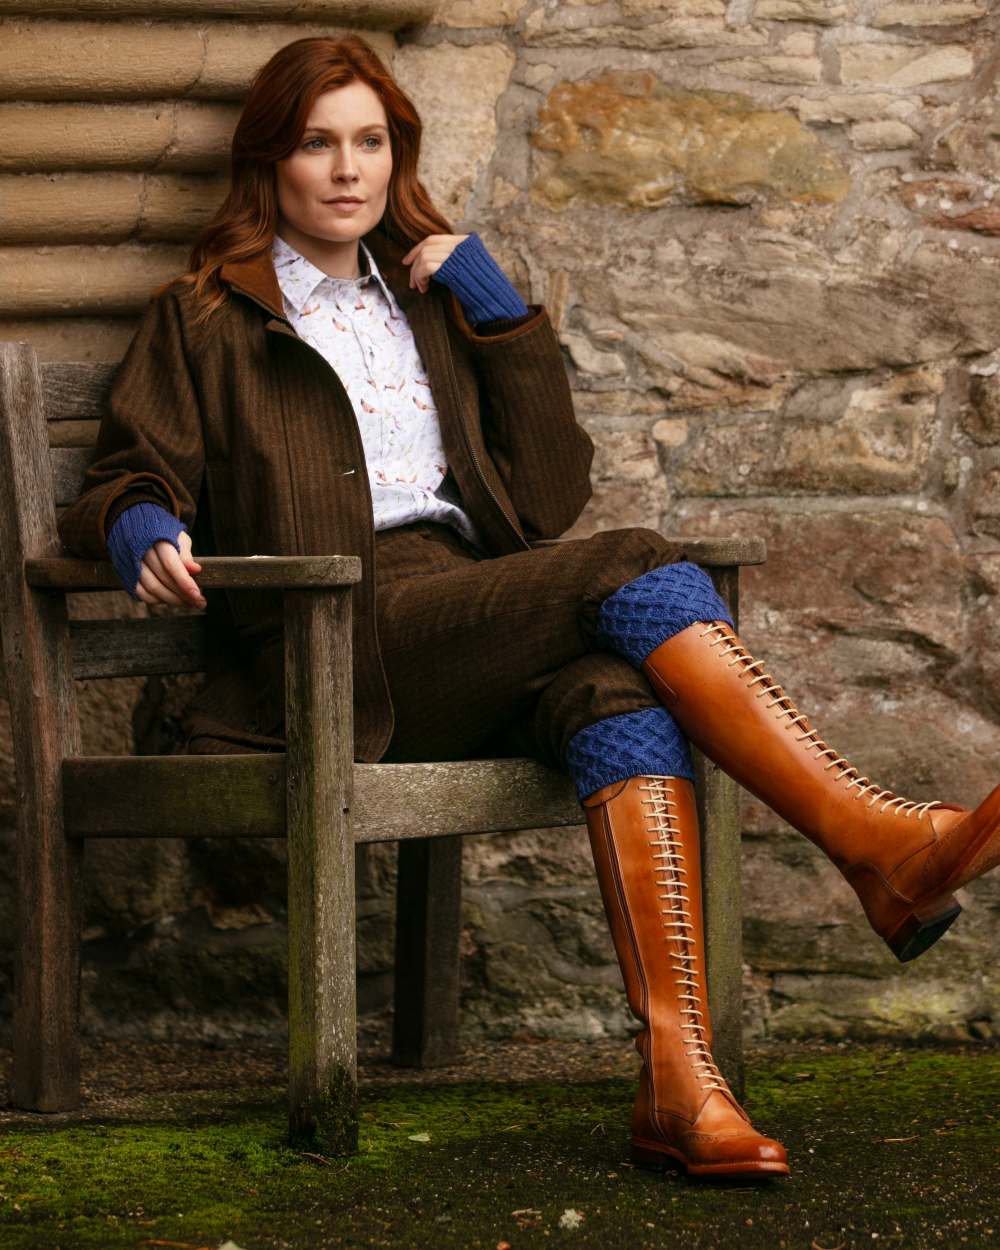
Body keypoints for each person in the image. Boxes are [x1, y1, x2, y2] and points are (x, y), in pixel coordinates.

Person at [57, 34, 1000, 1182]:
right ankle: (875, 837)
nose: (347, 170)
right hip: (326, 641)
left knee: (614, 696)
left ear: (397, 156)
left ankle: (681, 1084)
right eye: (316, 144)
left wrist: (499, 316)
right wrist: (141, 526)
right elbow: (124, 474)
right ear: (270, 163)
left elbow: (549, 498)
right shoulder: (207, 317)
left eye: (370, 142)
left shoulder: (428, 303)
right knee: (629, 562)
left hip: (460, 621)